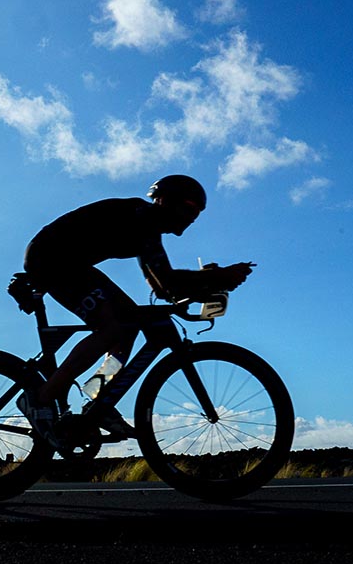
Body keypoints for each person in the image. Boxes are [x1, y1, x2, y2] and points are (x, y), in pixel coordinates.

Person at [17, 174, 254, 448]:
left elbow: (163, 288)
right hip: (53, 259)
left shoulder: (146, 227)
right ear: (165, 201)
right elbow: (168, 282)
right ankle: (42, 398)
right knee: (111, 329)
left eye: (197, 213)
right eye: (188, 208)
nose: (192, 217)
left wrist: (207, 283)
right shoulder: (143, 219)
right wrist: (216, 278)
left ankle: (98, 402)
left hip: (67, 261)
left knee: (128, 324)